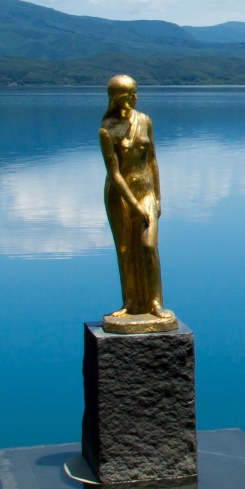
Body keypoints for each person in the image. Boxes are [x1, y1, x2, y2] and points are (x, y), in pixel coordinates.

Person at [99, 75, 173, 326]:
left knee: (147, 246)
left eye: (136, 92)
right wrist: (133, 205)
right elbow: (114, 173)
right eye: (131, 93)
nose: (136, 97)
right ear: (118, 97)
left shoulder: (145, 121)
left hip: (146, 191)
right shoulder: (106, 129)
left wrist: (158, 198)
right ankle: (130, 302)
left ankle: (155, 302)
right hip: (119, 196)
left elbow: (152, 159)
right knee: (125, 249)